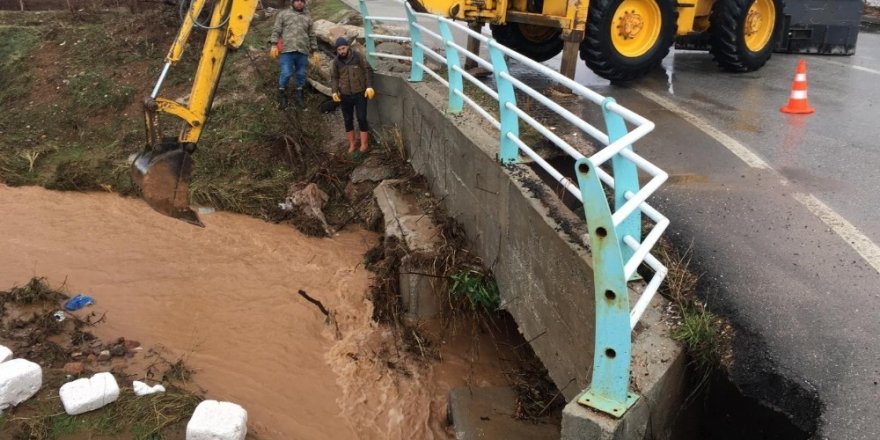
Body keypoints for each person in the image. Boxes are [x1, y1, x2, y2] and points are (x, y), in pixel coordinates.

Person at [268, 0, 317, 109]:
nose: (299, 3)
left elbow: (312, 35)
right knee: (286, 72)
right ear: (293, 2)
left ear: (304, 3)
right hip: (287, 50)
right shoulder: (283, 14)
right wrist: (273, 44)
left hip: (303, 50)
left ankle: (299, 94)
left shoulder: (308, 17)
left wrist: (315, 50)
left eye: (302, 1)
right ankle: (281, 93)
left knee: (301, 74)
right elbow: (276, 30)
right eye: (297, 1)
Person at [331, 37, 375, 153]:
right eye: (339, 49)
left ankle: (364, 144)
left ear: (348, 47)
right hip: (345, 95)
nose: (342, 51)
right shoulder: (336, 62)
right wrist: (334, 91)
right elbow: (334, 77)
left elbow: (368, 70)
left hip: (360, 93)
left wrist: (369, 86)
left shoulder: (358, 56)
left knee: (361, 118)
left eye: (343, 48)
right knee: (348, 119)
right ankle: (352, 143)